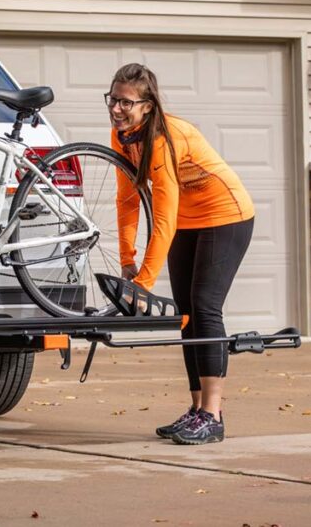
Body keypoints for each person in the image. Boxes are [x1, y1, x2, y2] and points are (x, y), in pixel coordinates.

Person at [108, 63, 254, 445]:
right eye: (113, 99)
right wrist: (127, 259)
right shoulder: (123, 136)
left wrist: (143, 283)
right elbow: (126, 200)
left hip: (226, 215)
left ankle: (213, 414)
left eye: (125, 102)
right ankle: (196, 409)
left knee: (205, 307)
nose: (116, 109)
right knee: (186, 312)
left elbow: (163, 217)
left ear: (148, 105)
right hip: (188, 221)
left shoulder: (165, 137)